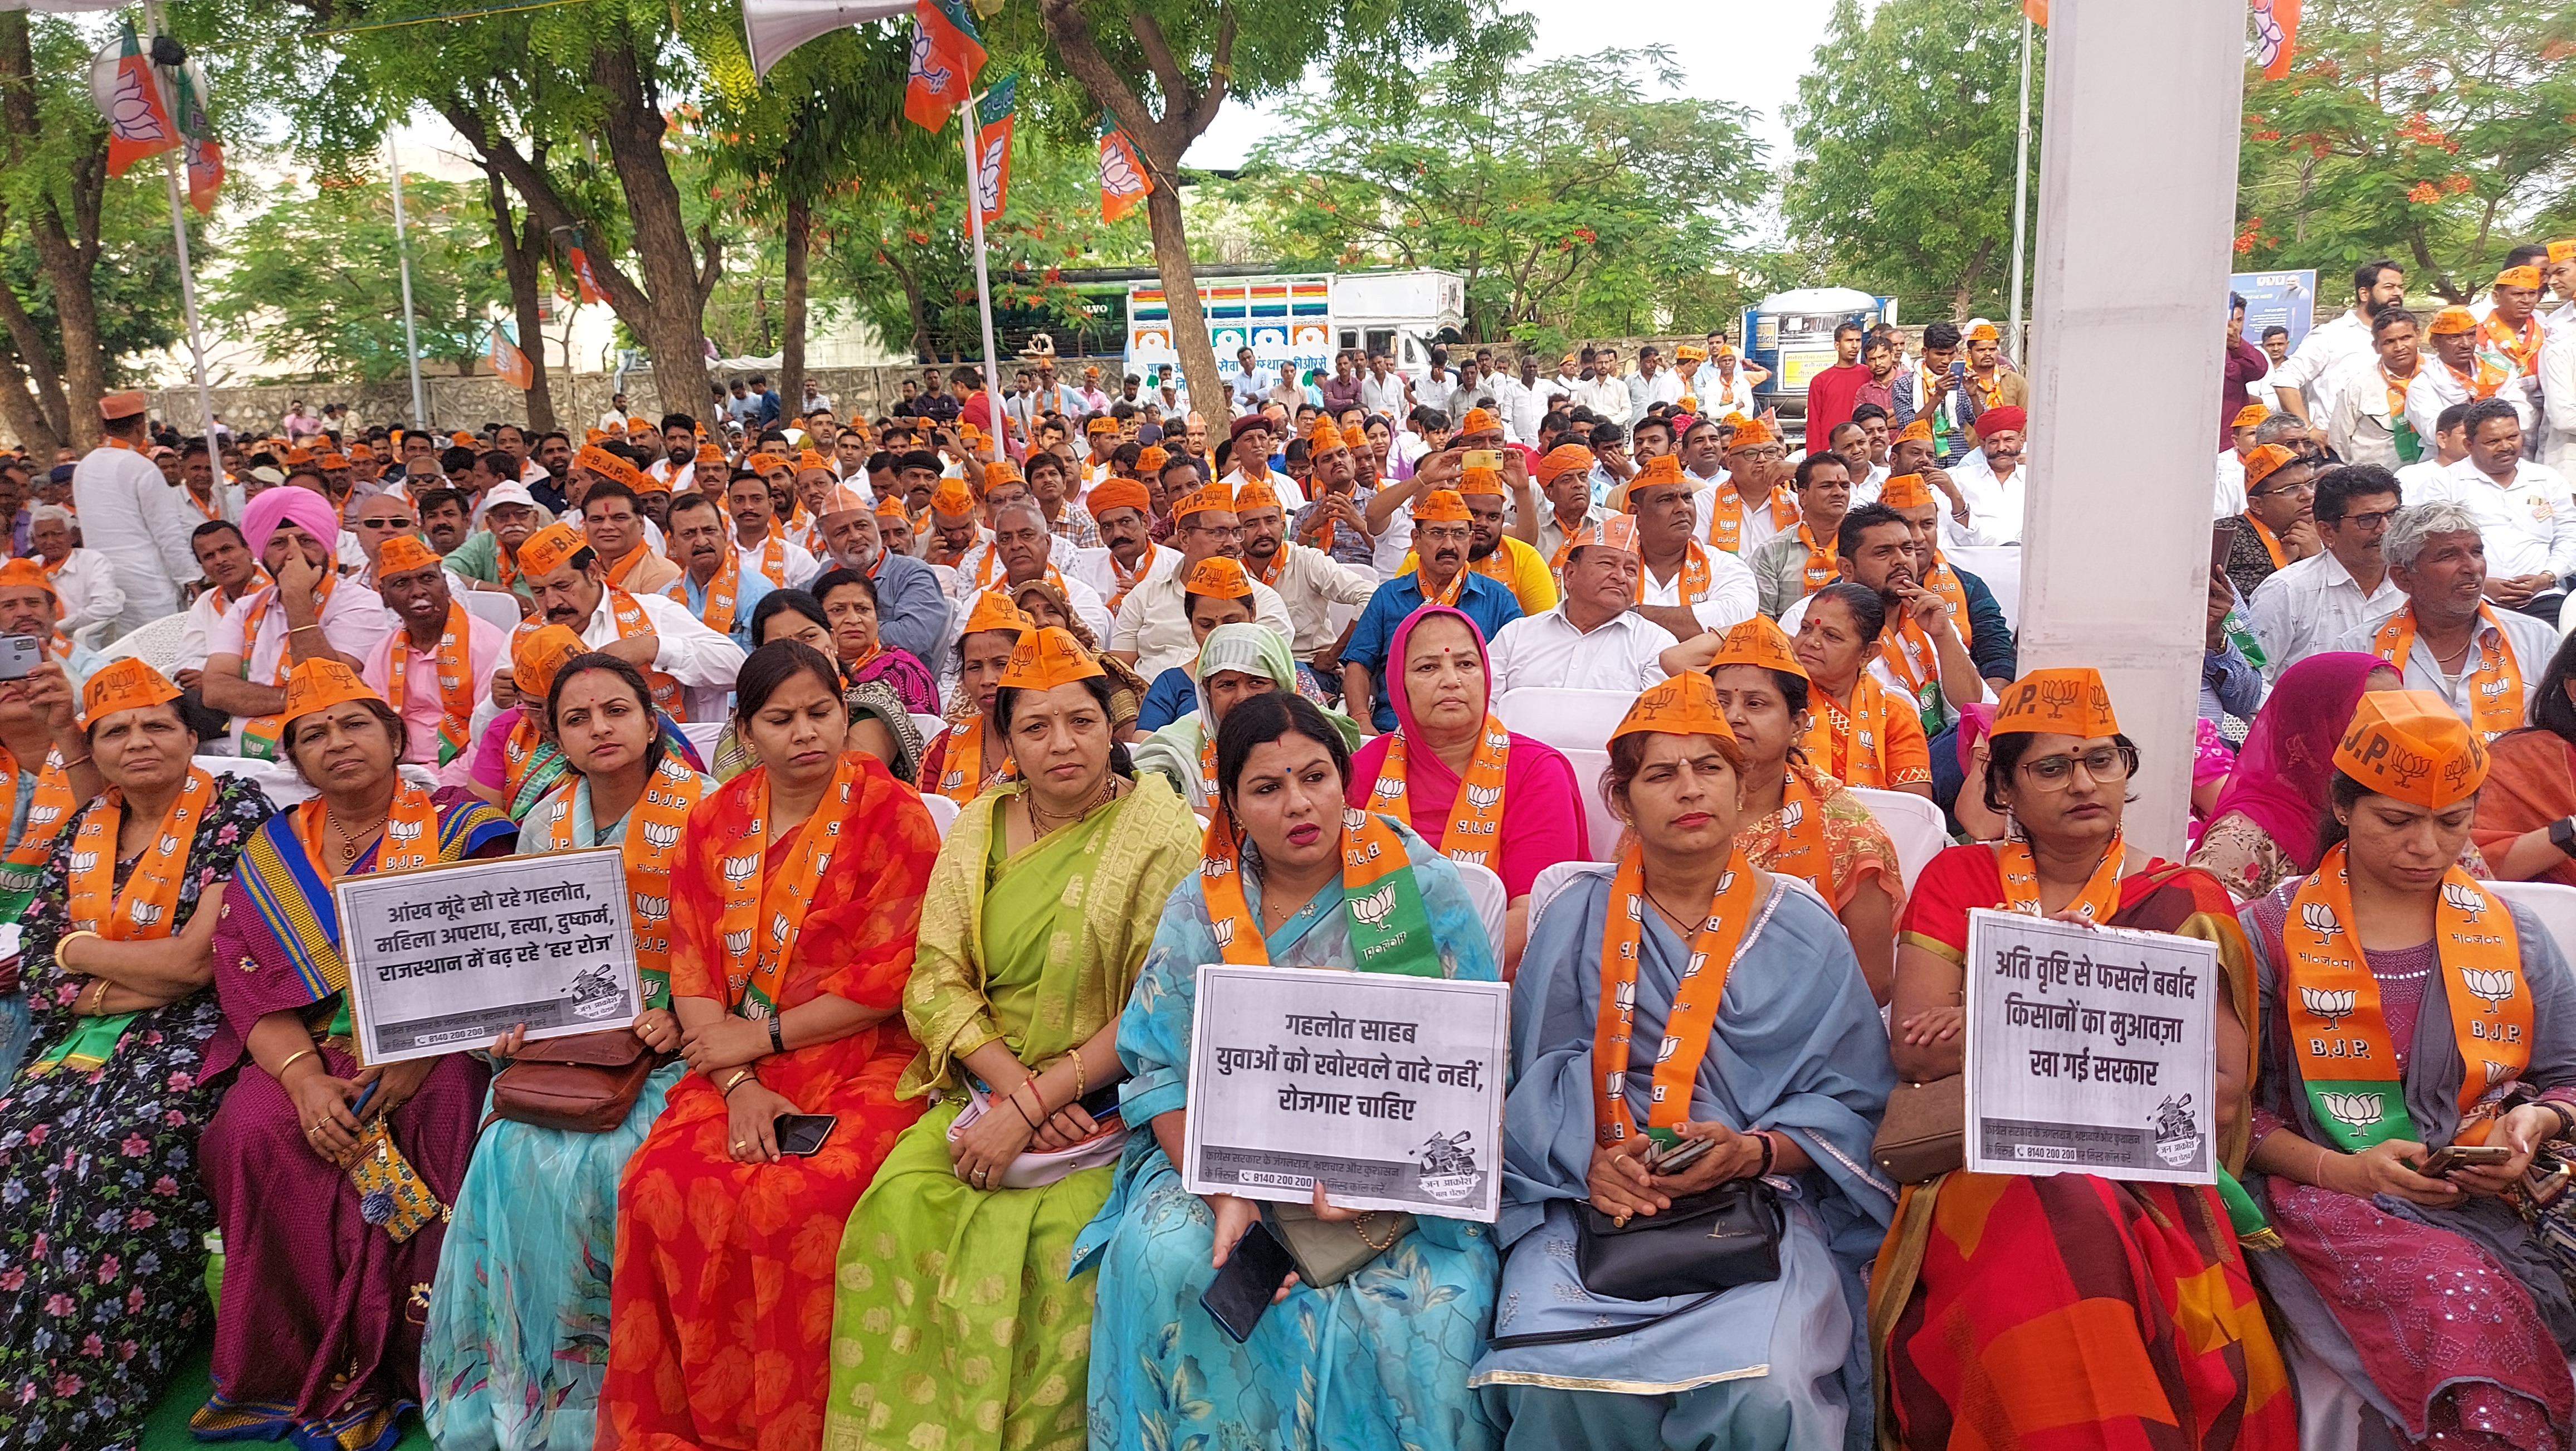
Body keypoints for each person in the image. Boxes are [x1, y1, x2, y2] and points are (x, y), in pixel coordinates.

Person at [1468, 673, 1895, 1445]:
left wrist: (1753, 1151)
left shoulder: (1804, 926)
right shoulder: (1573, 916)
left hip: (1756, 1206)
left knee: (1770, 1393)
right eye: (1661, 774)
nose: (1689, 789)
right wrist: (1590, 1160)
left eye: (1710, 768)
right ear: (1624, 802)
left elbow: (1855, 1105)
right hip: (1593, 1202)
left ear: (1742, 787)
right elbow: (1529, 1085)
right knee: (1553, 1383)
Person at [1875, 668, 2296, 1449]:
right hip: (1984, 1156)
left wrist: (2001, 1024)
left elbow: (2221, 1092)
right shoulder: (1958, 879)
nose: (2083, 783)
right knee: (2051, 1221)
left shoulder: (2187, 899)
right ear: (2003, 785)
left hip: (2145, 1167)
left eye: (2103, 761)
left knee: (2087, 1217)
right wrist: (2117, 1033)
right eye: (2051, 767)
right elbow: (1916, 1049)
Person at [1079, 693, 1502, 1450]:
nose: (1299, 804)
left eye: (1316, 777)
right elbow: (1158, 1073)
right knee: (1164, 1260)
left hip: (1400, 1187)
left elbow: (1471, 1072)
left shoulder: (1418, 886)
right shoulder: (1202, 902)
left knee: (1426, 1313)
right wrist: (1224, 1194)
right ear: (1234, 805)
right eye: (1267, 789)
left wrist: (1382, 1190)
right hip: (1224, 1166)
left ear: (1347, 781)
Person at [820, 627, 1199, 1451]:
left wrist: (1037, 1100)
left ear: (1114, 728)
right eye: (1035, 728)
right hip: (981, 1087)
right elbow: (935, 977)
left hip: (1109, 1101)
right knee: (898, 1210)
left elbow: (1157, 1007)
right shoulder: (979, 826)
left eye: (1081, 722)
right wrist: (1006, 1096)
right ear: (1008, 741)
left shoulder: (1162, 834)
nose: (1061, 745)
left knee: (1065, 1250)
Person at [595, 642, 936, 1451]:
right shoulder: (714, 821)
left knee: (800, 1199)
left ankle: (807, 1430)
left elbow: (892, 974)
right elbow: (690, 968)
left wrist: (767, 1033)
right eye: (779, 720)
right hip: (733, 1062)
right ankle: (695, 1427)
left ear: (844, 710)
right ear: (744, 730)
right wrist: (743, 1075)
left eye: (821, 713)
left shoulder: (894, 814)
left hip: (867, 1052)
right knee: (660, 1183)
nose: (805, 734)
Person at [2238, 690, 2576, 1448]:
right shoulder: (2270, 933)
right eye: (2398, 820)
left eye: (2453, 822)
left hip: (2500, 1190)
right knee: (2458, 1297)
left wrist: (2534, 1121)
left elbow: (2568, 1072)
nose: (2427, 847)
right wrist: (2345, 1172)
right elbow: (2231, 1114)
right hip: (2330, 1193)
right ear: (2344, 806)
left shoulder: (2511, 933)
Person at [194, 660, 516, 1451]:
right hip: (314, 1052)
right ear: (296, 758)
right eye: (313, 734)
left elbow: (502, 960)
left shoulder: (464, 827)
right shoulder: (272, 853)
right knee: (251, 1128)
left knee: (442, 1113)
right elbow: (248, 989)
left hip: (439, 1050)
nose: (336, 743)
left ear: (394, 735)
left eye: (353, 724)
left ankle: (405, 1364)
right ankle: (282, 1364)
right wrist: (303, 1081)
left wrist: (415, 1053)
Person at [421, 654, 713, 1451]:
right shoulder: (545, 820)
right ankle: (537, 1402)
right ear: (555, 737)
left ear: (652, 722)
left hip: (679, 1050)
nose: (600, 730)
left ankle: (636, 1398)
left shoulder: (711, 810)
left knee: (614, 1168)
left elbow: (741, 945)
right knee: (509, 1152)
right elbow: (524, 956)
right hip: (566, 1054)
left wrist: (688, 1019)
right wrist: (513, 1027)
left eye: (616, 711)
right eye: (578, 719)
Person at [0, 663, 269, 1451]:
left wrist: (85, 953)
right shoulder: (87, 827)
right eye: (116, 730)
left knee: (110, 1157)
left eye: (156, 724)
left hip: (202, 1031)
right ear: (97, 750)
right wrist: (92, 979)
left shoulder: (236, 814)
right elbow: (44, 976)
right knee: (17, 1152)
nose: (138, 741)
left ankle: (77, 1392)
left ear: (192, 736)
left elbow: (196, 967)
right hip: (84, 1037)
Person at [1347, 604, 1585, 967]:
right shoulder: (1363, 770)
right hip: (1369, 977)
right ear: (1398, 682)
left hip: (1496, 980)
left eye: (1466, 665)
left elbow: (1536, 911)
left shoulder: (1535, 771)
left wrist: (1438, 978)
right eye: (1428, 667)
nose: (1452, 680)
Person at [2188, 653, 2412, 899]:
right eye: (2371, 718)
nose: (2392, 732)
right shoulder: (2246, 840)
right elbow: (2203, 927)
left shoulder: (2407, 816)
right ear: (2310, 734)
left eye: (2399, 715)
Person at [2334, 500, 2560, 737]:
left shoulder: (2537, 639)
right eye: (2448, 556)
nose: (2472, 567)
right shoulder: (2359, 649)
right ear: (2403, 578)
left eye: (2477, 552)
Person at [201, 485, 395, 758]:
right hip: (249, 756)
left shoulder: (359, 602)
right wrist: (291, 699)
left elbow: (328, 687)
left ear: (325, 543)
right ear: (261, 552)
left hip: (334, 755)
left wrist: (296, 599)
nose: (294, 554)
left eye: (306, 540)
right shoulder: (246, 608)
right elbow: (215, 690)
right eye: (279, 543)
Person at [511, 521, 745, 727]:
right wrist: (501, 700)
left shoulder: (653, 612)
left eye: (563, 586)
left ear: (593, 572)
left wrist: (653, 648)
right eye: (539, 591)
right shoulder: (524, 636)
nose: (552, 602)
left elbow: (736, 667)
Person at [1341, 490, 1523, 733]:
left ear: (1470, 541)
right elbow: (1358, 665)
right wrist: (1362, 719)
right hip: (1396, 728)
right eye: (1437, 533)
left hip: (1475, 731)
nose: (1449, 545)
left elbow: (1520, 667)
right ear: (1416, 539)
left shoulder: (1498, 599)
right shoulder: (1389, 596)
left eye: (1459, 534)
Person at [361, 533, 507, 788]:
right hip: (394, 774)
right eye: (402, 583)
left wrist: (437, 782)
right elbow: (372, 726)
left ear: (446, 585)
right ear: (384, 596)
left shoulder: (488, 643)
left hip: (468, 776)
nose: (418, 591)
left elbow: (492, 734)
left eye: (428, 579)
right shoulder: (381, 653)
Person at [2413, 396, 2575, 621]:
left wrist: (2546, 578)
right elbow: (2429, 546)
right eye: (2493, 442)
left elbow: (2569, 537)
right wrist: (2482, 584)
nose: (2506, 447)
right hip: (2471, 599)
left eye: (2513, 437)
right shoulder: (2443, 484)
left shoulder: (2547, 480)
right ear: (2469, 445)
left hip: (2544, 597)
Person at [1109, 481, 1294, 679]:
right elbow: (1120, 669)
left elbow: (1257, 672)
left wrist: (1171, 687)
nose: (1231, 543)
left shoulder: (1263, 600)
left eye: (1236, 533)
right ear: (1185, 539)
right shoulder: (1144, 596)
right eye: (1218, 533)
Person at [1772, 580, 1934, 797]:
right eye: (1806, 628)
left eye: (1831, 636)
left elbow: (1913, 809)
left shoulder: (1895, 715)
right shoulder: (1773, 697)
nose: (1812, 641)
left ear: (1867, 654)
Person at [2245, 464, 2404, 679]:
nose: (2385, 528)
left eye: (2393, 515)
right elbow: (2254, 682)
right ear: (2327, 532)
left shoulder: (2415, 585)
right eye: (2367, 519)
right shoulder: (2287, 591)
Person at [1489, 521, 1673, 695]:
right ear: (1570, 574)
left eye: (1631, 569)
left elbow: (1655, 720)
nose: (1621, 577)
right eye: (1607, 564)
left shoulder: (1655, 646)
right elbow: (1486, 706)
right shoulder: (1516, 636)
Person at [71, 391, 199, 634]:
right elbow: (167, 533)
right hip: (147, 584)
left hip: (103, 583)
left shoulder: (84, 467)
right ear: (140, 427)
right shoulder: (141, 467)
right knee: (161, 654)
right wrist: (190, 579)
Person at [2274, 259, 2408, 431]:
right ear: (2364, 294)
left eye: (2401, 287)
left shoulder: (2404, 339)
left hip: (2396, 445)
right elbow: (2285, 379)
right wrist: (2308, 430)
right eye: (2389, 287)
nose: (2397, 293)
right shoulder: (2330, 335)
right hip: (2338, 447)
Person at [923, 591, 1031, 804]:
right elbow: (924, 821)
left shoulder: (1052, 744)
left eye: (1001, 664)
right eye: (975, 667)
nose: (987, 680)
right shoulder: (944, 746)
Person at [1748, 452, 1856, 619]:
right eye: (1827, 486)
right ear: (1803, 496)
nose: (1839, 492)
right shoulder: (1771, 553)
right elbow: (1762, 621)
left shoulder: (1863, 545)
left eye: (1845, 486)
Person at [2326, 308, 2429, 468]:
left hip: (2431, 480)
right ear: (2376, 346)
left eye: (2406, 338)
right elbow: (2339, 443)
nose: (2399, 347)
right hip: (2376, 484)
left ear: (2418, 335)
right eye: (2389, 342)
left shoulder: (2439, 374)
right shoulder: (2358, 386)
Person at [27, 504, 126, 641]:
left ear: (73, 536)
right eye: (43, 536)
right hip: (38, 638)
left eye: (57, 534)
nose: (50, 542)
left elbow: (108, 606)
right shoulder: (32, 565)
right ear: (34, 540)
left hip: (82, 639)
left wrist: (59, 627)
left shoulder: (92, 560)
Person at [1802, 320, 1873, 457]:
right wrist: (1815, 455)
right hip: (1830, 451)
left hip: (1862, 448)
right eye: (1849, 341)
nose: (1854, 346)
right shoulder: (1820, 381)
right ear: (1837, 345)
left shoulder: (1870, 374)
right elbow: (1813, 423)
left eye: (1858, 340)